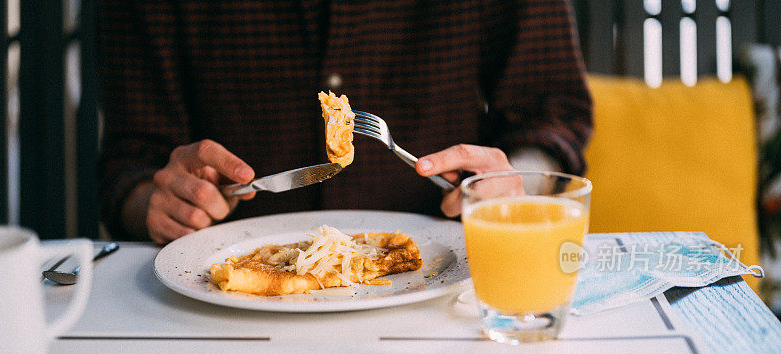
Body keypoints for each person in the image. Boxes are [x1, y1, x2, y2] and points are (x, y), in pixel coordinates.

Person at [98, 1, 591, 243]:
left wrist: (512, 182)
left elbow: (550, 107)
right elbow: (131, 159)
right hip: (226, 290)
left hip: (442, 276)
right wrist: (155, 202)